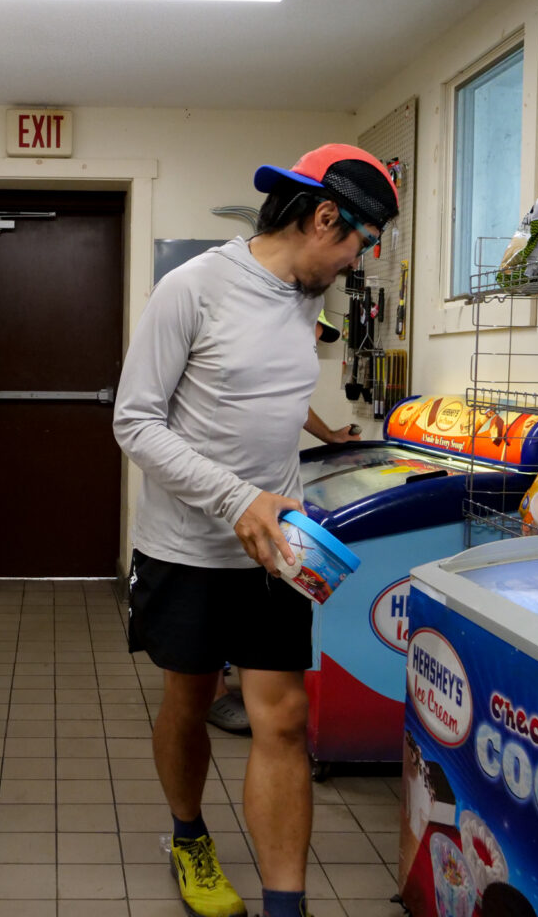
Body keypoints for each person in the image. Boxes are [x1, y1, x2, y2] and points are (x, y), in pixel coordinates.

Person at [113, 144, 398, 917]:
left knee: (283, 717)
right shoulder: (193, 288)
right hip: (185, 545)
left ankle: (285, 906)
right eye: (357, 243)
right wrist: (236, 497)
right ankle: (188, 836)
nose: (355, 261)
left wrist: (295, 501)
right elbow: (133, 422)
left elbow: (262, 402)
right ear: (324, 216)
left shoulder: (308, 302)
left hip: (276, 545)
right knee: (191, 697)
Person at [207, 313, 359, 736]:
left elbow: (293, 407)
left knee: (257, 596)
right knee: (220, 591)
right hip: (224, 499)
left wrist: (329, 435)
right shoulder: (248, 361)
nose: (314, 341)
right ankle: (216, 693)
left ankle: (247, 680)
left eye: (319, 337)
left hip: (269, 505)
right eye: (312, 331)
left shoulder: (291, 368)